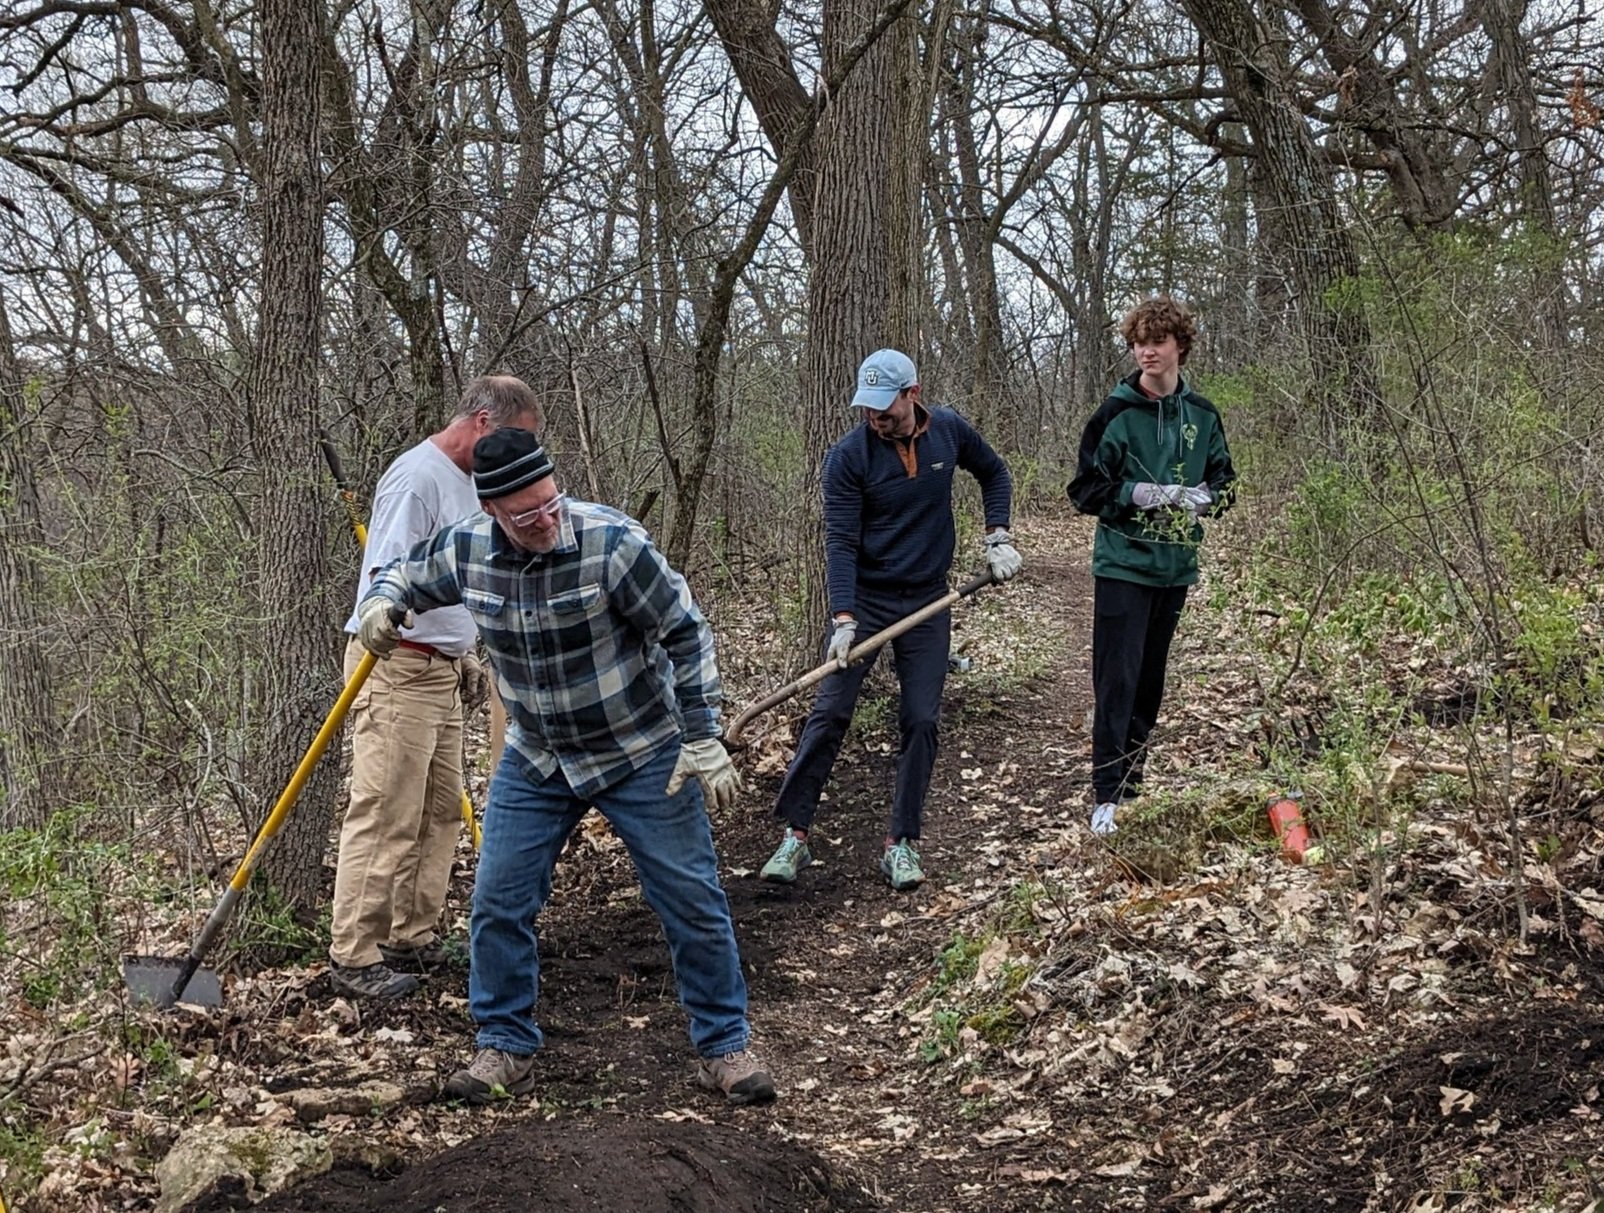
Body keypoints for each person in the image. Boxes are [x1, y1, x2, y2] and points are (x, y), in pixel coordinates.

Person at [353, 427, 774, 1107]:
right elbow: (403, 569)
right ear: (492, 511)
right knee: (497, 901)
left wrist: (701, 735)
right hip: (539, 754)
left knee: (691, 898)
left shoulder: (611, 544)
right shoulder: (466, 550)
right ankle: (505, 1044)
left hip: (641, 750)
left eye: (551, 502)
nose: (546, 520)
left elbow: (685, 628)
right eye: (527, 514)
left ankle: (724, 1045)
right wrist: (380, 598)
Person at [760, 349, 1022, 892]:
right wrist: (844, 619)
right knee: (830, 714)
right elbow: (840, 541)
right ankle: (795, 835)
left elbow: (994, 472)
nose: (876, 416)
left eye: (885, 405)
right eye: (868, 406)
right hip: (870, 603)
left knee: (922, 719)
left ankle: (901, 843)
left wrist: (998, 535)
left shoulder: (948, 432)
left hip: (928, 600)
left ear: (912, 394)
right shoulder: (848, 457)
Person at [329, 376, 544, 1000]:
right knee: (387, 809)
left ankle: (410, 935)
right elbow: (388, 575)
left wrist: (465, 649)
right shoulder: (417, 477)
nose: (523, 456)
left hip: (445, 669)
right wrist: (391, 622)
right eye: (518, 439)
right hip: (397, 667)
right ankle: (354, 954)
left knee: (441, 810)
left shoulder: (474, 482)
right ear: (483, 422)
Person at [1066, 297, 1235, 836]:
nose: (1146, 351)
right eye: (1139, 342)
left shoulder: (1203, 415)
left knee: (1150, 681)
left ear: (1179, 346)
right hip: (1122, 562)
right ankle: (1105, 796)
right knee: (1116, 679)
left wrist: (1202, 499)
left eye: (1157, 341)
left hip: (1175, 565)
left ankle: (1133, 785)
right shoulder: (1114, 413)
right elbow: (1085, 489)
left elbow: (1227, 485)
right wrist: (1137, 493)